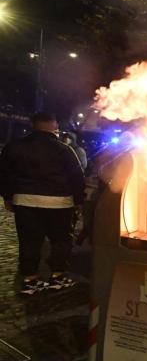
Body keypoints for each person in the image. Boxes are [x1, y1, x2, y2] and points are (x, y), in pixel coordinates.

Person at [0, 112, 85, 292]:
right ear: (54, 125)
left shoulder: (14, 147)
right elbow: (77, 177)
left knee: (29, 241)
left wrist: (7, 197)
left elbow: (5, 175)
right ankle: (58, 276)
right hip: (59, 203)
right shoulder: (64, 149)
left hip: (25, 200)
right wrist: (78, 201)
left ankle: (30, 279)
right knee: (60, 241)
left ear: (33, 124)